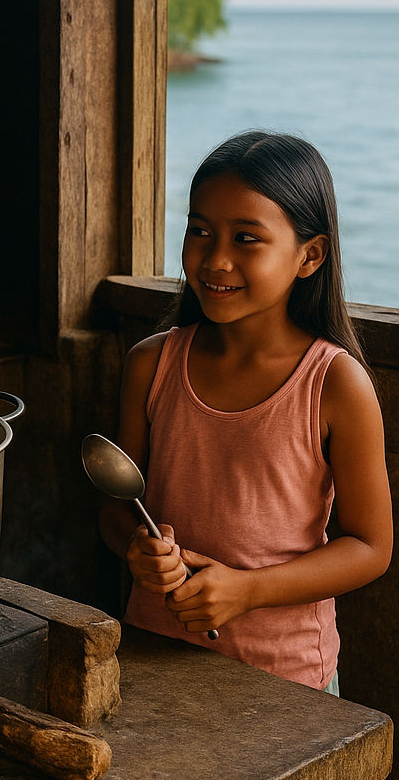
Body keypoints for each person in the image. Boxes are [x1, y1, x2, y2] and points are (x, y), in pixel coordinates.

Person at [98, 130, 392, 693]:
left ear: (310, 255)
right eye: (200, 231)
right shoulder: (151, 364)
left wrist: (246, 590)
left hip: (285, 678)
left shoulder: (333, 382)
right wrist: (136, 548)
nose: (215, 259)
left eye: (247, 238)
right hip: (152, 652)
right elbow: (117, 508)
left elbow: (371, 548)